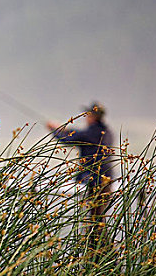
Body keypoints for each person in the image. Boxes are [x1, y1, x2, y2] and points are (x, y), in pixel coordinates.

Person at [47, 102, 114, 248]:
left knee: (95, 221)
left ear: (93, 116)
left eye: (88, 114)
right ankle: (100, 250)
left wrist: (54, 130)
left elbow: (68, 139)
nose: (86, 117)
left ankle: (96, 250)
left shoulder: (91, 133)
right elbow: (78, 134)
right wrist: (64, 129)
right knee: (99, 220)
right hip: (107, 180)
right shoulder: (106, 132)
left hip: (95, 181)